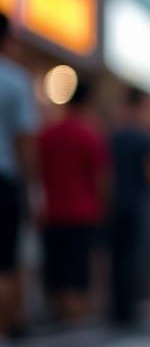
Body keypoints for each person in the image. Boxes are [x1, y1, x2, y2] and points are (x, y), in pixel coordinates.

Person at [37, 79, 109, 323]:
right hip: (82, 210)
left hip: (52, 211)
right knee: (78, 265)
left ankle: (59, 309)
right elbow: (101, 178)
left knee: (56, 264)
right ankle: (75, 313)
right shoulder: (88, 136)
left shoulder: (47, 133)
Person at [0, 13, 38, 347]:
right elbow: (25, 141)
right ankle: (2, 340)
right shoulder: (14, 81)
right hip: (5, 179)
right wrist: (33, 189)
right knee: (6, 265)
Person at [108, 88, 150, 328]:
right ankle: (129, 306)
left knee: (117, 256)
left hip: (115, 202)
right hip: (137, 202)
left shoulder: (113, 135)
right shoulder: (142, 137)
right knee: (135, 256)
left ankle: (117, 306)